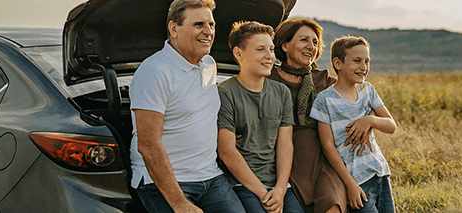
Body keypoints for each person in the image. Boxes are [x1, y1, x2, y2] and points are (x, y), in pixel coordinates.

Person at [127, 0, 242, 212]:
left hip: (211, 176)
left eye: (212, 25)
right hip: (165, 181)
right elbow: (148, 145)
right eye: (199, 24)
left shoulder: (208, 64)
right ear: (174, 28)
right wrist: (179, 203)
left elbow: (199, 113)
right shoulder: (154, 71)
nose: (208, 31)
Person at [216, 20, 304, 213]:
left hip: (279, 186)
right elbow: (226, 151)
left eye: (271, 49)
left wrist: (280, 189)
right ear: (239, 54)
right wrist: (263, 194)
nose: (269, 56)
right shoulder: (225, 93)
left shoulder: (281, 92)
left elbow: (285, 145)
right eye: (261, 49)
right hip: (242, 184)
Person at [267, 18, 348, 213]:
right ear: (285, 45)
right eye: (304, 40)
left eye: (315, 42)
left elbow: (360, 100)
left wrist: (367, 120)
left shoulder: (326, 81)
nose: (311, 47)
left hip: (323, 163)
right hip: (282, 164)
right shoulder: (268, 79)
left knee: (332, 205)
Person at [310, 36, 397, 213]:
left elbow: (391, 125)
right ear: (338, 63)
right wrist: (350, 185)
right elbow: (328, 146)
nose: (363, 67)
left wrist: (369, 120)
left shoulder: (368, 90)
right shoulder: (324, 100)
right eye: (357, 61)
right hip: (357, 180)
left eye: (367, 61)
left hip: (380, 171)